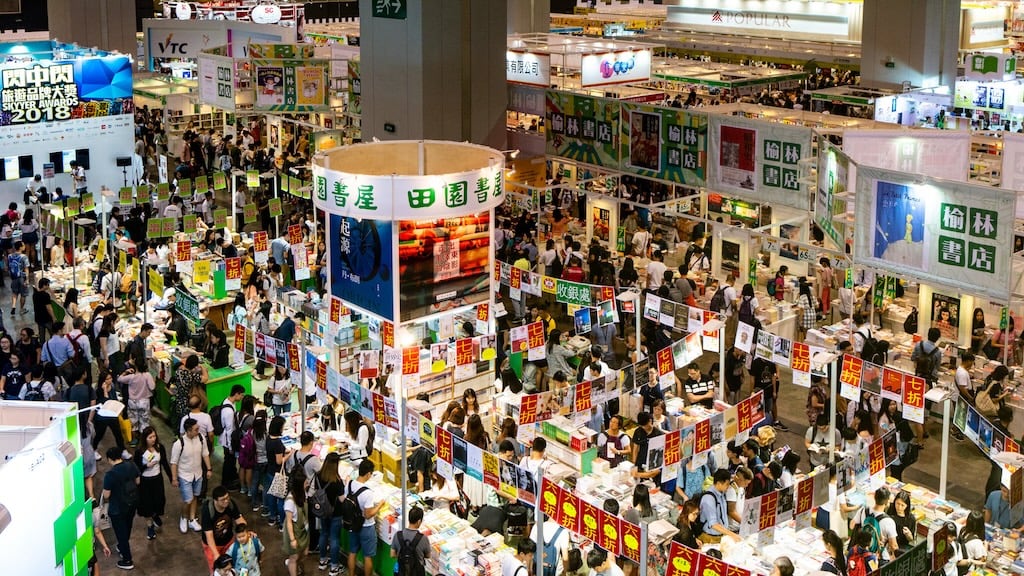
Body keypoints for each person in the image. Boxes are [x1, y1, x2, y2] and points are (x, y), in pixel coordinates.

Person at [171, 417, 213, 534]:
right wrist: (174, 478)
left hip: (198, 474)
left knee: (195, 497)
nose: (198, 431)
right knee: (188, 500)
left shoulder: (201, 438)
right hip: (185, 476)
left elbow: (205, 454)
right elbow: (174, 462)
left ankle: (192, 518)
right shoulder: (179, 444)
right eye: (196, 429)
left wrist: (209, 469)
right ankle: (184, 517)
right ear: (188, 430)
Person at [102, 446, 141, 570]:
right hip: (132, 503)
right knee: (127, 525)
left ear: (109, 459)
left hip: (117, 508)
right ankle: (122, 546)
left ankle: (127, 559)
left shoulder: (111, 474)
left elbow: (107, 495)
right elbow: (138, 481)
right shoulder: (131, 465)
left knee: (120, 532)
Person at [133, 426, 171, 541]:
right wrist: (146, 466)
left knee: (159, 501)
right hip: (145, 482)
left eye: (154, 436)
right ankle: (150, 527)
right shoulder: (140, 451)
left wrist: (171, 478)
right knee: (146, 505)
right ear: (145, 438)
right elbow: (136, 468)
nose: (153, 439)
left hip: (157, 480)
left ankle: (155, 515)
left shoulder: (160, 448)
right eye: (150, 437)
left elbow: (164, 463)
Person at [348, 459, 384, 576]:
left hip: (353, 523)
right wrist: (379, 505)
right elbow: (368, 514)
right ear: (368, 474)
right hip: (366, 527)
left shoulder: (349, 484)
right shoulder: (367, 493)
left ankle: (351, 574)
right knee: (368, 556)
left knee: (352, 552)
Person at [316, 452, 347, 575]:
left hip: (322, 510)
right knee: (334, 538)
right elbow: (341, 499)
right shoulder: (337, 481)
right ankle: (334, 566)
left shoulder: (319, 475)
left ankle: (323, 560)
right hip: (335, 513)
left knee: (323, 533)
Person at [202, 485, 246, 570]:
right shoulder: (207, 510)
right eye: (222, 500)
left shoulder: (231, 504)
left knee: (232, 566)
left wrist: (246, 533)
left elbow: (239, 520)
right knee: (217, 569)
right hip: (213, 544)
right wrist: (215, 554)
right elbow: (209, 535)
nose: (226, 501)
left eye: (227, 498)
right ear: (215, 501)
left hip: (228, 541)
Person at [699, 469, 739, 543]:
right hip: (710, 538)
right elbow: (713, 524)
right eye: (727, 484)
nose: (728, 486)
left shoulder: (722, 494)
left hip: (721, 536)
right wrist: (732, 535)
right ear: (719, 483)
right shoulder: (709, 498)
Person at [219, 385, 247, 491]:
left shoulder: (229, 402)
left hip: (227, 440)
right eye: (241, 395)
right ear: (236, 394)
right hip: (227, 442)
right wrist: (231, 447)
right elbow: (229, 430)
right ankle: (226, 483)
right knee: (228, 462)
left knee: (231, 462)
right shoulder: (229, 411)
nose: (242, 397)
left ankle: (232, 478)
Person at [392, 507, 431, 576]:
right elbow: (428, 555)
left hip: (402, 571)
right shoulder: (423, 538)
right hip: (417, 572)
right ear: (419, 521)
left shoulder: (398, 535)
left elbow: (392, 554)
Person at [284, 472, 309, 576]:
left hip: (304, 529)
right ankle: (292, 567)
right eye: (305, 482)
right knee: (294, 556)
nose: (307, 483)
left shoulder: (303, 494)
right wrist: (292, 539)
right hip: (294, 531)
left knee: (304, 553)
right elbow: (289, 522)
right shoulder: (290, 501)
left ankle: (294, 564)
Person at [120, 366, 155, 438]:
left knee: (133, 422)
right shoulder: (147, 375)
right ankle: (144, 439)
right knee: (144, 422)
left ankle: (134, 440)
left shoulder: (131, 377)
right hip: (144, 402)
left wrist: (126, 372)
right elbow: (152, 387)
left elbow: (119, 379)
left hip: (132, 402)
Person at [869, 487, 899, 564]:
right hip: (880, 558)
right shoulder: (888, 521)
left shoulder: (864, 510)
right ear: (887, 502)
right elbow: (894, 546)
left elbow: (852, 525)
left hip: (864, 553)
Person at [7, 240, 27, 314]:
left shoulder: (10, 256)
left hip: (14, 277)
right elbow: (26, 268)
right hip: (22, 278)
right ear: (20, 247)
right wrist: (27, 279)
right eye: (23, 245)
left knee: (14, 293)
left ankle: (13, 306)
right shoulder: (23, 257)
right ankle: (21, 309)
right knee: (23, 294)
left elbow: (8, 267)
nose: (24, 246)